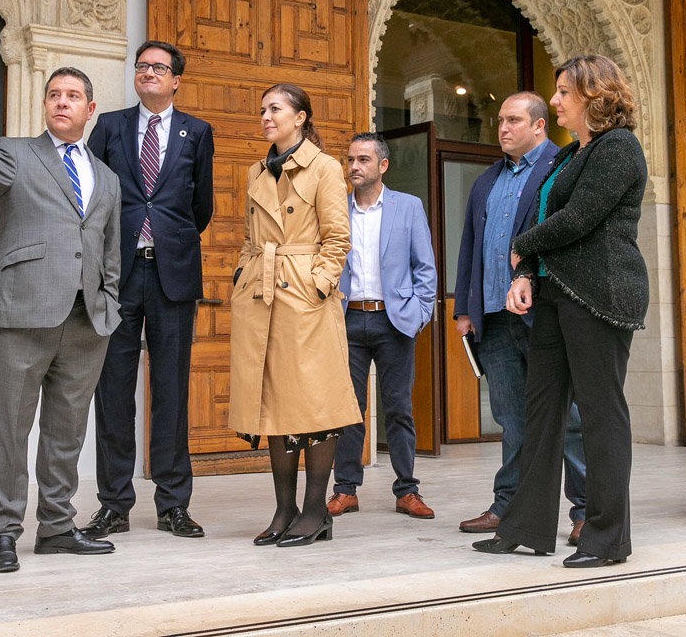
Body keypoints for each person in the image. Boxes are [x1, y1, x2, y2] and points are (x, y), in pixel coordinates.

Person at [0, 66, 122, 573]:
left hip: (87, 321)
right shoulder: (15, 153)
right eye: (53, 95)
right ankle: (2, 533)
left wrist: (110, 302)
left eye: (73, 96)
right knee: (9, 429)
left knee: (67, 432)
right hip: (22, 313)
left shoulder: (106, 178)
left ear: (90, 110)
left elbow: (111, 251)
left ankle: (58, 528)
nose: (61, 102)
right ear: (45, 106)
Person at [472, 55, 648, 568]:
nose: (555, 101)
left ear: (594, 95)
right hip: (555, 295)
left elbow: (578, 219)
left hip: (599, 296)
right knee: (540, 413)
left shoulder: (619, 148)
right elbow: (553, 221)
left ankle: (607, 537)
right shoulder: (572, 155)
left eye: (563, 92)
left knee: (599, 415)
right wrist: (526, 272)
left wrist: (521, 247)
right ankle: (524, 527)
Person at [84, 40, 214, 540]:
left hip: (172, 274)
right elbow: (92, 193)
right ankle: (114, 504)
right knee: (112, 391)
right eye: (142, 67)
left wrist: (165, 238)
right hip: (117, 275)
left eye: (159, 68)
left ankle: (172, 505)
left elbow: (199, 207)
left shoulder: (196, 132)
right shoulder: (112, 126)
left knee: (171, 391)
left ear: (176, 79)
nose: (149, 74)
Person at [229, 83, 361, 547]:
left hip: (306, 299)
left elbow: (338, 238)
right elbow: (250, 237)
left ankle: (314, 511)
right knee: (274, 406)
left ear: (301, 116)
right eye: (262, 108)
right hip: (261, 298)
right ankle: (284, 510)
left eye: (276, 108)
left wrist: (318, 284)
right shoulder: (254, 172)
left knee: (315, 404)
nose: (266, 115)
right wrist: (243, 277)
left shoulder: (325, 168)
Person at [454, 92, 589, 543]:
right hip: (493, 316)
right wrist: (464, 310)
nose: (503, 128)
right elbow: (470, 245)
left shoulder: (563, 168)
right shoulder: (486, 180)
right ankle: (507, 506)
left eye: (513, 120)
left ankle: (586, 510)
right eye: (500, 121)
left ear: (539, 126)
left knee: (566, 415)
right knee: (511, 417)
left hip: (544, 313)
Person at [328, 133, 437, 520]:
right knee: (348, 411)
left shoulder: (407, 207)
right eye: (350, 160)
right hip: (349, 319)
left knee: (398, 408)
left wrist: (421, 312)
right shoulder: (337, 209)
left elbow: (425, 266)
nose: (354, 167)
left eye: (363, 160)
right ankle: (345, 490)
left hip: (394, 321)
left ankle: (407, 490)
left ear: (382, 165)